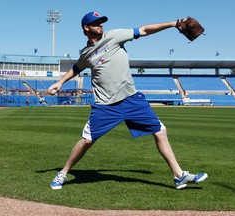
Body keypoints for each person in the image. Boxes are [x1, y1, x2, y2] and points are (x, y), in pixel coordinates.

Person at [47, 12, 208, 190]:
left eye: (101, 22)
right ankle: (62, 173)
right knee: (86, 141)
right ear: (86, 28)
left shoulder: (115, 36)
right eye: (96, 23)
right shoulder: (86, 53)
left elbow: (144, 30)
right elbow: (78, 67)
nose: (100, 25)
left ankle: (179, 176)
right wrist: (60, 82)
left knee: (160, 131)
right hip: (106, 105)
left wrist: (173, 23)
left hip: (131, 99)